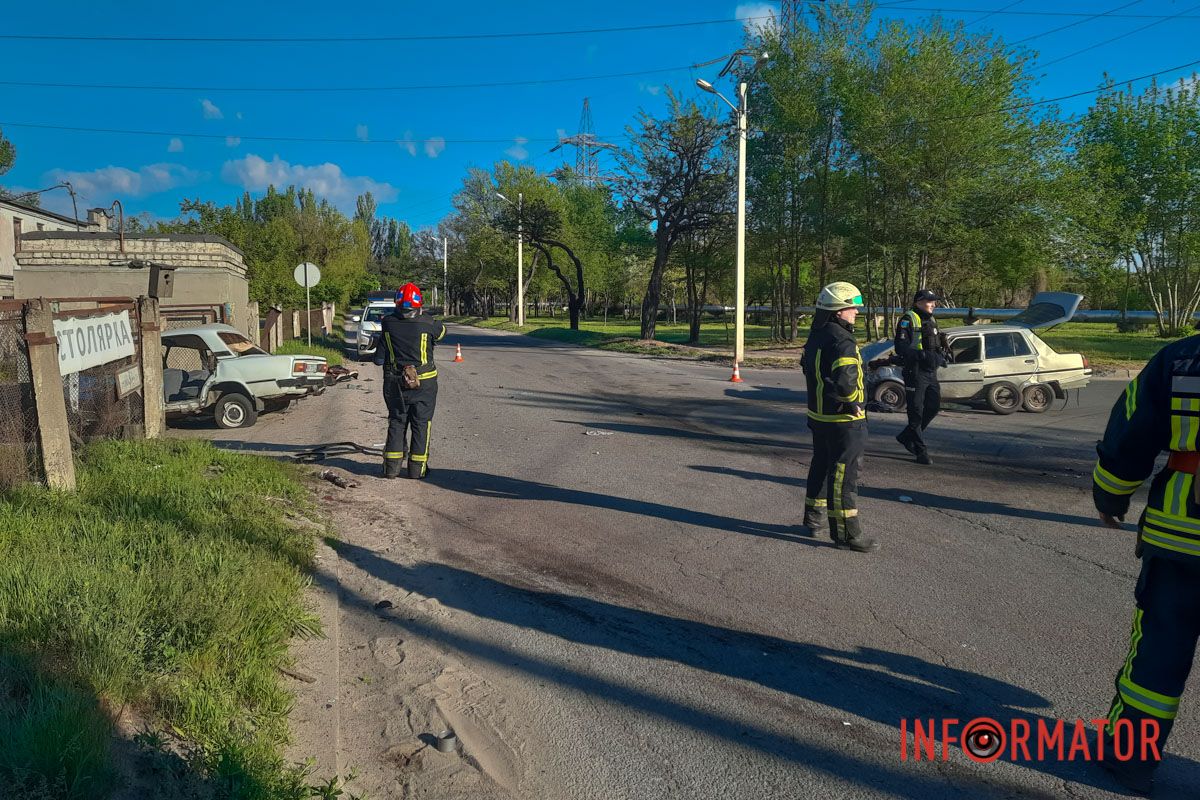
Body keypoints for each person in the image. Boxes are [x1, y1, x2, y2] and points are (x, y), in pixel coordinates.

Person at [1092, 334, 1200, 796]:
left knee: (1159, 650)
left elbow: (1131, 428)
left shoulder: (1182, 357)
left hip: (1181, 538)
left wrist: (1111, 495)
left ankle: (1130, 759)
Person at [800, 281, 878, 553]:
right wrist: (853, 403)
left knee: (820, 466)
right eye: (851, 308)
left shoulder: (817, 334)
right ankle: (847, 535)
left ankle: (813, 519)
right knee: (844, 477)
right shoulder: (842, 339)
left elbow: (809, 369)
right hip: (844, 421)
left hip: (819, 417)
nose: (856, 312)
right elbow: (846, 380)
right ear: (837, 311)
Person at [374, 282, 447, 479]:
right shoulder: (429, 323)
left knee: (397, 421)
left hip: (394, 381)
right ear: (419, 305)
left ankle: (391, 469)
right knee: (421, 424)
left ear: (397, 304)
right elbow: (442, 333)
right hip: (424, 383)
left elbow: (378, 358)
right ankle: (417, 470)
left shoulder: (387, 322)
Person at [894, 289, 948, 465]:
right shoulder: (908, 319)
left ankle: (906, 436)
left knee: (933, 407)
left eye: (934, 301)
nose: (933, 304)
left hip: (930, 372)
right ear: (918, 302)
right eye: (929, 301)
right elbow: (901, 348)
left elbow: (935, 342)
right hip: (915, 371)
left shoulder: (931, 319)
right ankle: (920, 450)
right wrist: (922, 356)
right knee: (915, 412)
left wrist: (941, 356)